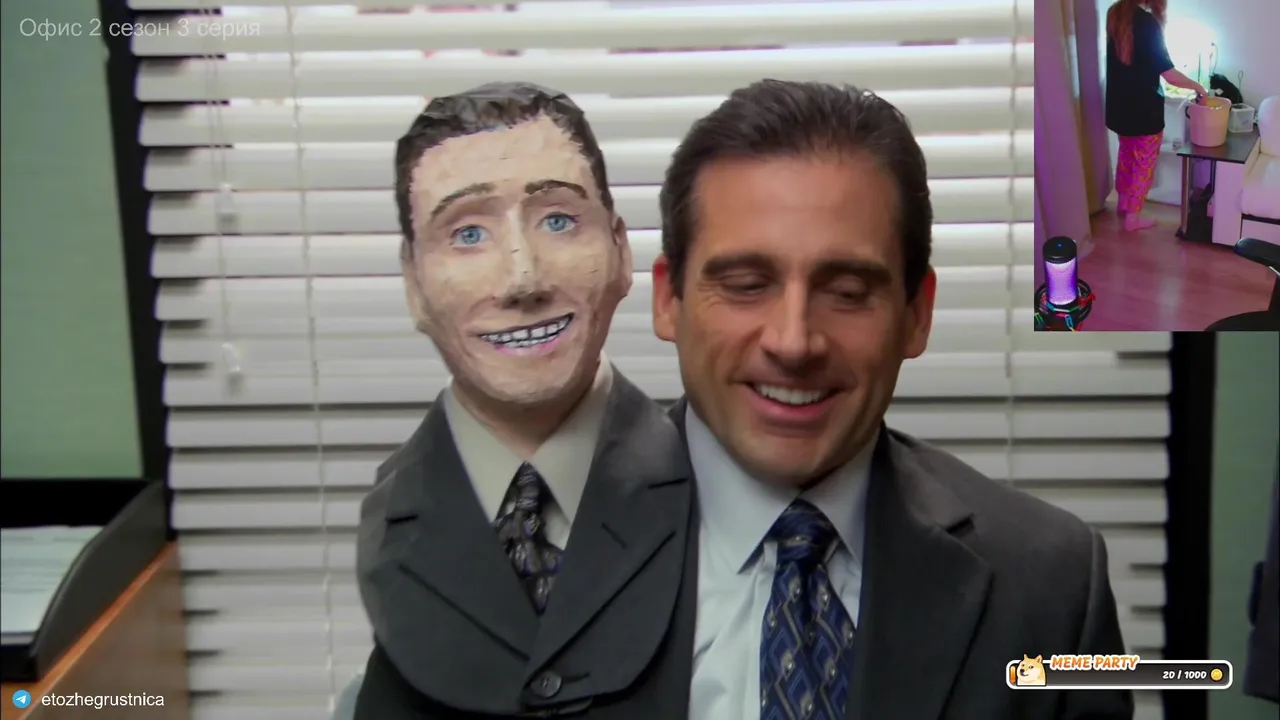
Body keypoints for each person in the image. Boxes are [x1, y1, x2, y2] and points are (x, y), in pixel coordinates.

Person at [651, 79, 1135, 718]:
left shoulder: (1052, 582)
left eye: (848, 293)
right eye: (745, 284)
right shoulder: (549, 537)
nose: (793, 342)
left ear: (916, 315)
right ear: (668, 299)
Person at [350, 82, 698, 718]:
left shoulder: (716, 484)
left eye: (558, 221)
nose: (523, 278)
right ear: (414, 286)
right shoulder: (392, 513)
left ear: (621, 253)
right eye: (467, 233)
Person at [1104, 0, 1206, 232]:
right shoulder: (1147, 23)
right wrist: (1198, 86)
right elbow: (1170, 75)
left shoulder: (1114, 13)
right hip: (1144, 110)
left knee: (1127, 156)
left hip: (1119, 108)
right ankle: (1133, 217)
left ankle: (1124, 204)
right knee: (1144, 164)